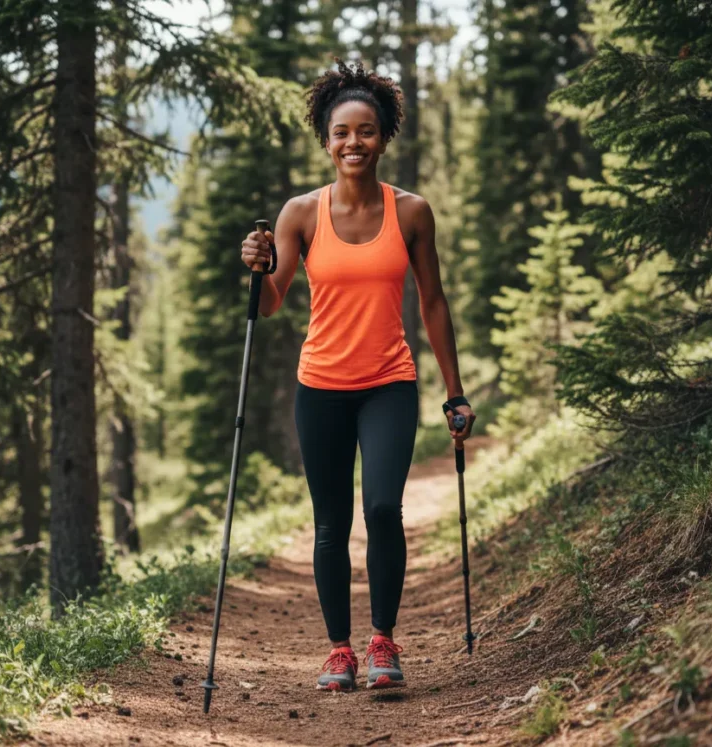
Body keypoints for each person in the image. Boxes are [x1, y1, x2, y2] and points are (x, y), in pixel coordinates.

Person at [239, 58, 475, 692]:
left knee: (382, 508)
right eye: (342, 132)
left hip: (388, 383)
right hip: (321, 387)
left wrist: (455, 392)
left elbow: (433, 302)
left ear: (384, 136)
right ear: (326, 138)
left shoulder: (413, 213)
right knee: (329, 522)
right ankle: (338, 649)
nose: (353, 143)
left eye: (366, 131)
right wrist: (257, 269)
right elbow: (271, 301)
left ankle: (382, 641)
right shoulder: (300, 215)